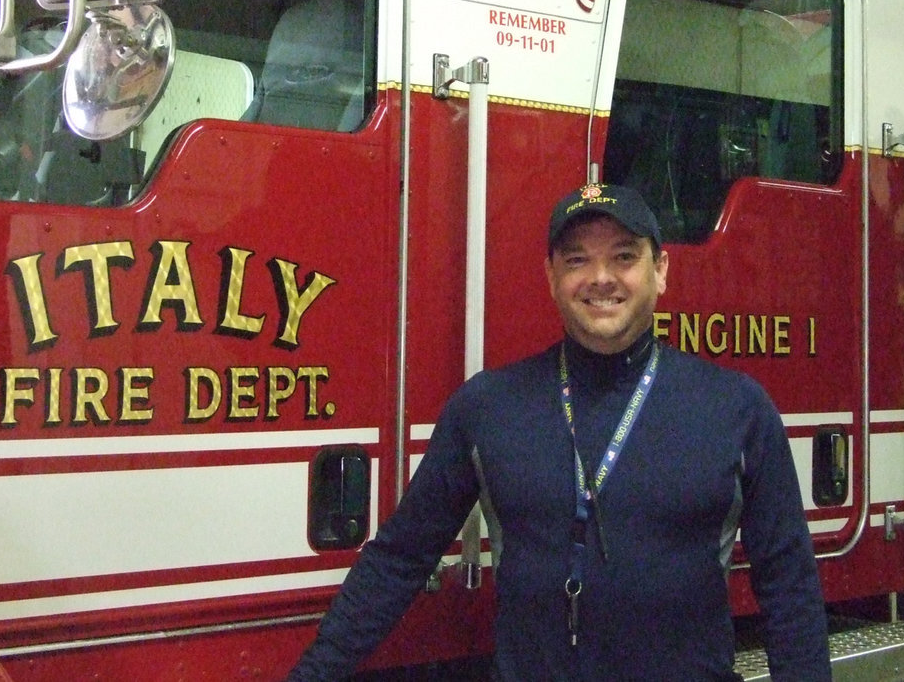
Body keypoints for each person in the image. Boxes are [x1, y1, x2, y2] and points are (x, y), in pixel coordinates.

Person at [286, 183, 830, 681]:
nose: (600, 277)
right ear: (550, 277)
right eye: (577, 260)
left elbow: (789, 587)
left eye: (624, 256)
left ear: (661, 270)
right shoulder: (487, 408)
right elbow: (399, 559)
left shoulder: (736, 409)